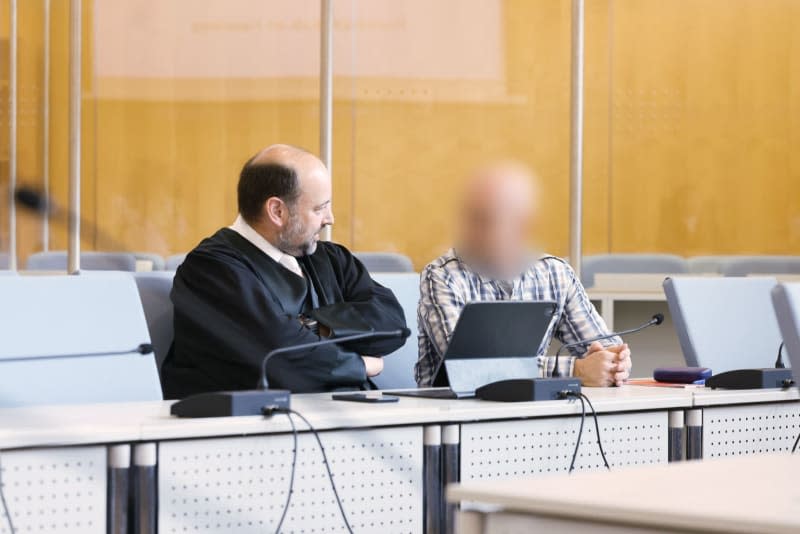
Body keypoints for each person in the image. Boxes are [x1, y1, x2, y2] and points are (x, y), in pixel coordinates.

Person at [161, 145, 407, 398]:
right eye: (319, 208)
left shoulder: (332, 259)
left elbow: (394, 324)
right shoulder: (210, 271)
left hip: (346, 415)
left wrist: (305, 326)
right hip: (257, 429)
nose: (330, 218)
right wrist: (362, 365)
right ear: (277, 211)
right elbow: (282, 361)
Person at [416, 162, 631, 387]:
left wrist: (613, 362)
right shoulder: (442, 277)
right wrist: (576, 369)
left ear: (522, 225)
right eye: (470, 218)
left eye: (485, 219)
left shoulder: (555, 273)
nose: (472, 231)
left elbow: (603, 346)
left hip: (535, 412)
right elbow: (466, 367)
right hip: (455, 414)